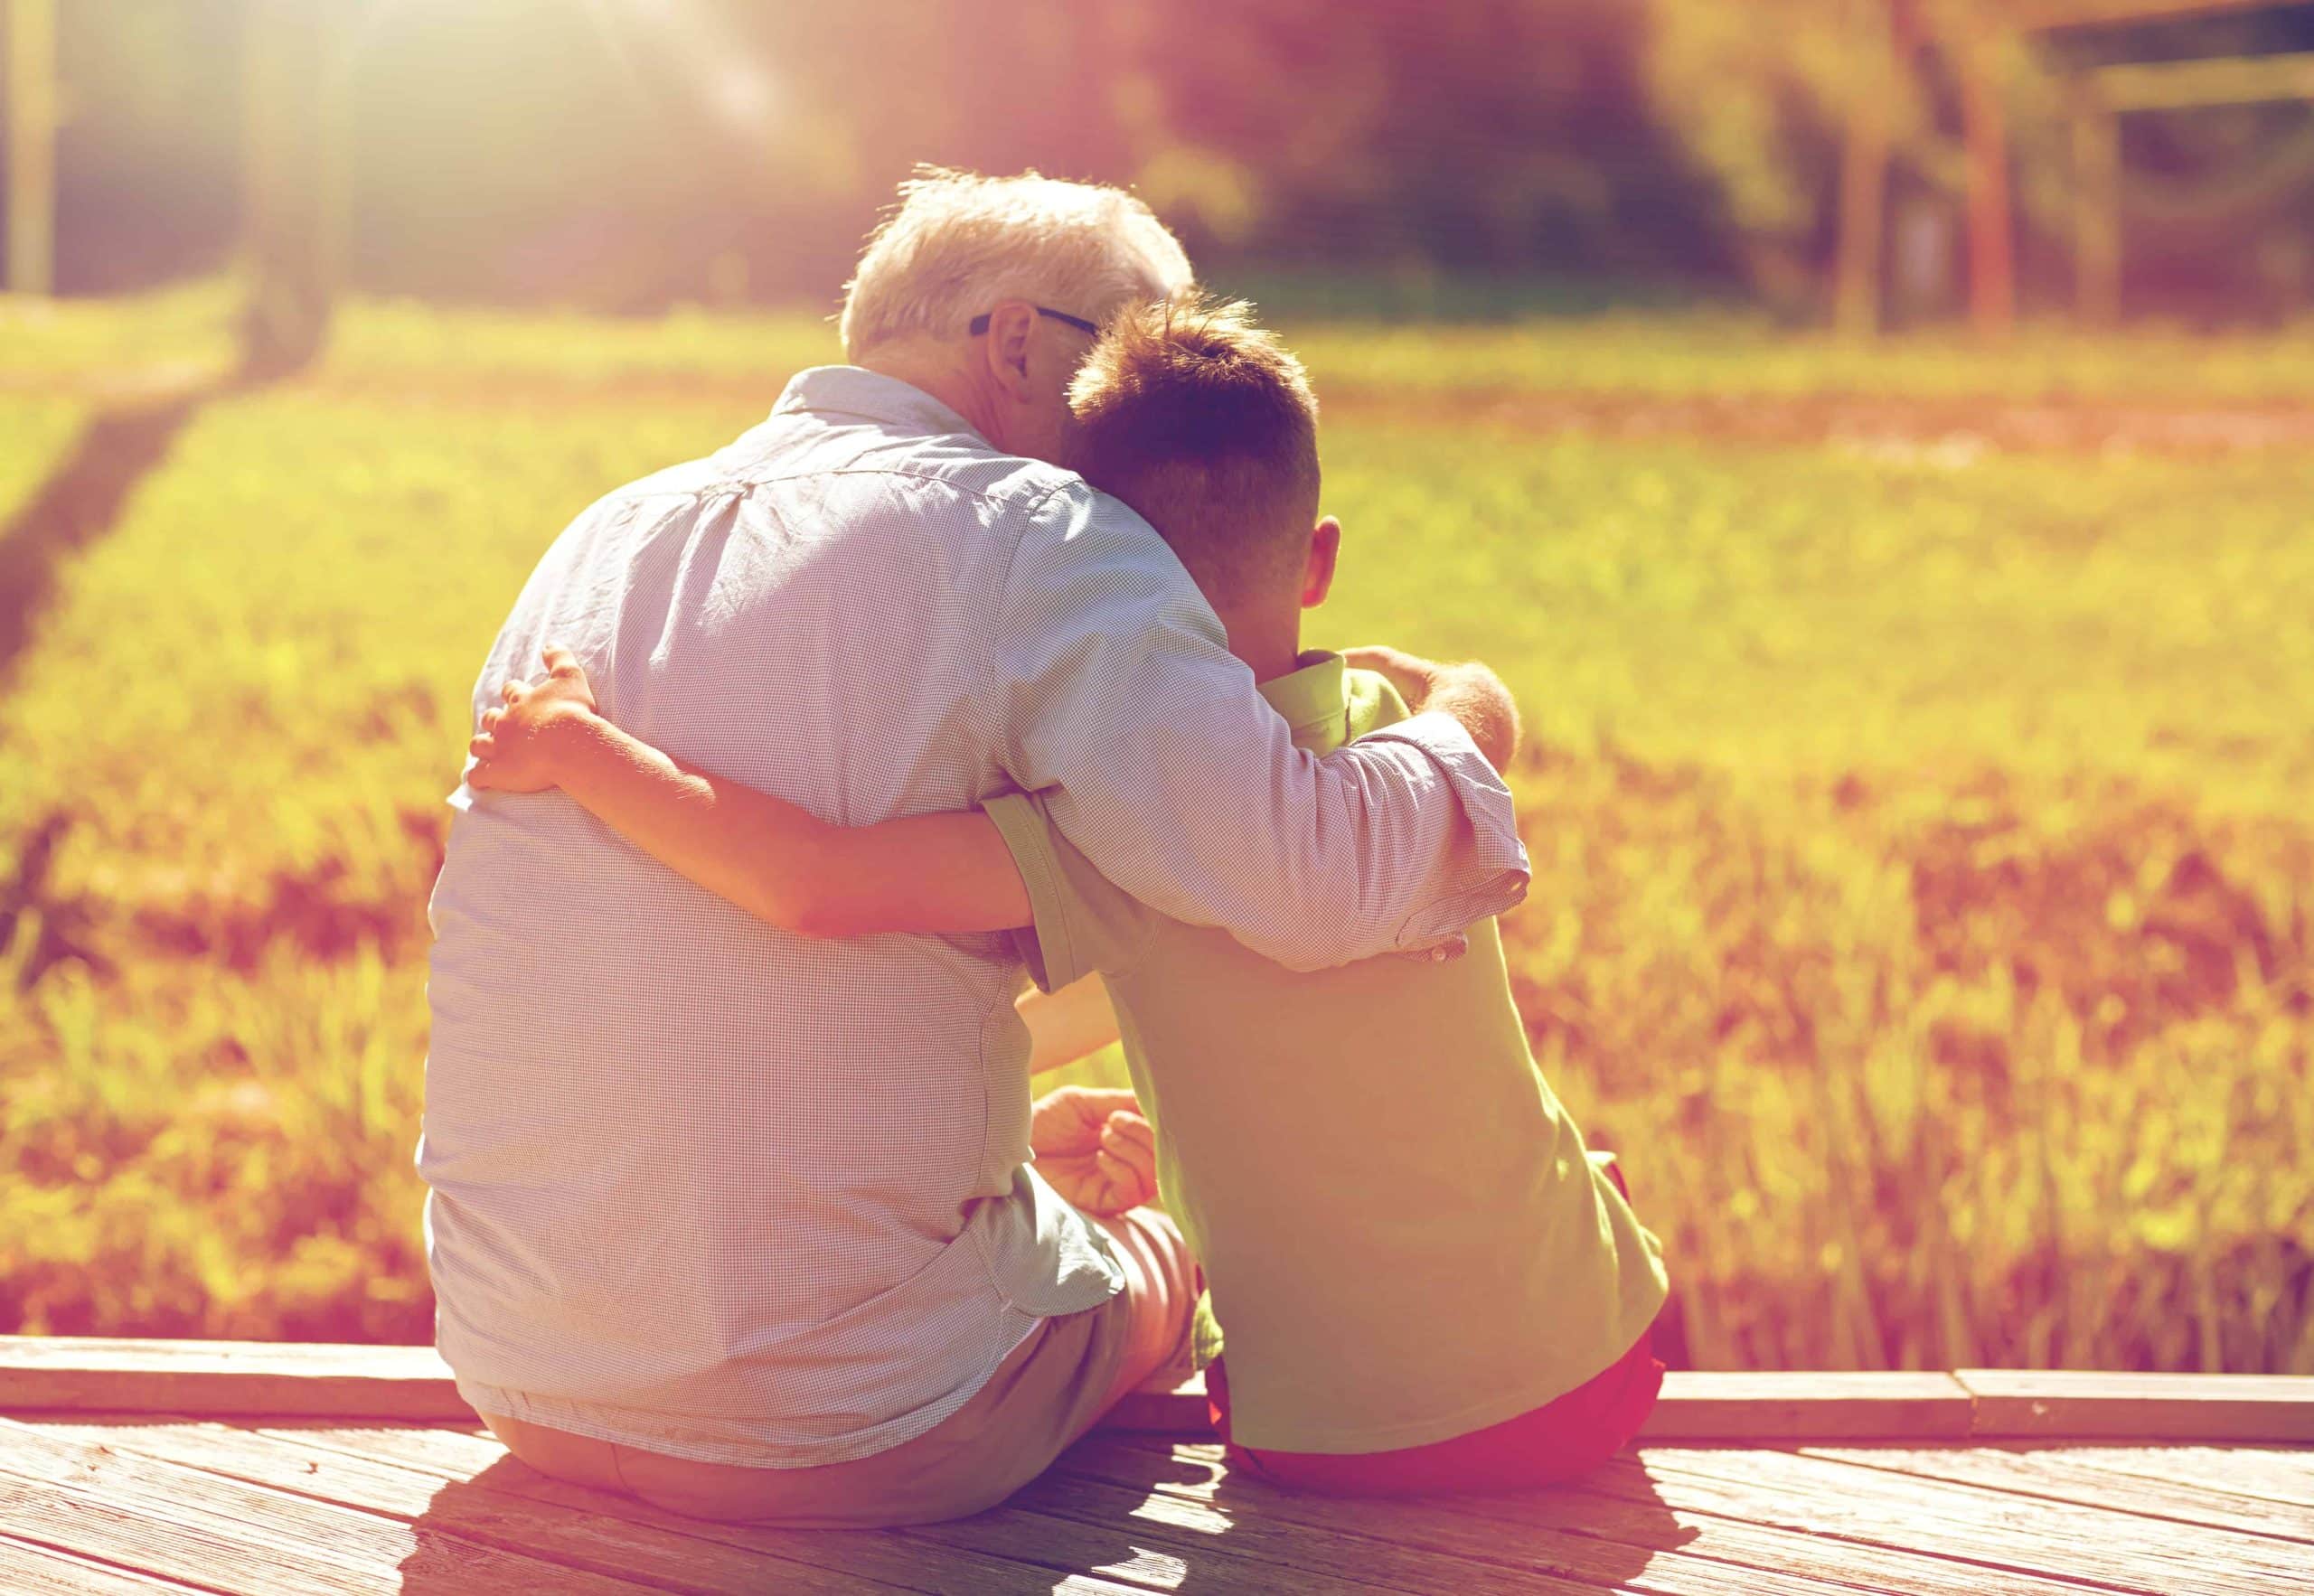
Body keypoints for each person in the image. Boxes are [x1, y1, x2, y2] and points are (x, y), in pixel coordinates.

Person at [421, 170, 1530, 1527]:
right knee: (1175, 1249)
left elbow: (733, 959)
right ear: (1015, 342)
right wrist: (1469, 711)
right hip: (854, 1422)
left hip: (514, 1364)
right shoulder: (1051, 532)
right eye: (1124, 360)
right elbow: (1304, 874)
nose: (1146, 421)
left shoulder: (601, 533)